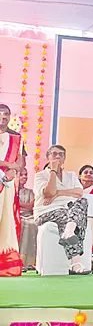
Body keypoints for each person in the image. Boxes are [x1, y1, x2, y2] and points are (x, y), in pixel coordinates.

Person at [34, 145, 90, 275]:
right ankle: (75, 263)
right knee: (71, 216)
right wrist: (53, 171)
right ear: (48, 157)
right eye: (54, 154)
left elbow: (79, 193)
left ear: (64, 158)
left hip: (68, 209)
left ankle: (68, 232)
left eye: (61, 154)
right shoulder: (40, 176)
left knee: (82, 202)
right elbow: (48, 193)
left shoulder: (71, 175)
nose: (58, 156)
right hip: (45, 211)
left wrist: (58, 193)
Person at [0, 104, 25, 276]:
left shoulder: (16, 138)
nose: (3, 117)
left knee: (6, 221)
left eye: (6, 114)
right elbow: (11, 163)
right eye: (0, 114)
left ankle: (5, 263)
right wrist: (9, 165)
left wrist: (14, 169)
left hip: (7, 184)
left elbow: (21, 160)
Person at [18, 168, 36, 270]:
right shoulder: (10, 190)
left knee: (33, 224)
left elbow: (30, 206)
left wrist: (19, 204)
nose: (24, 177)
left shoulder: (30, 192)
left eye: (26, 174)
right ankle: (20, 260)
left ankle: (30, 262)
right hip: (17, 215)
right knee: (24, 224)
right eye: (22, 175)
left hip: (29, 215)